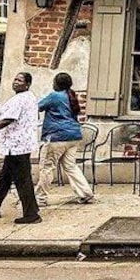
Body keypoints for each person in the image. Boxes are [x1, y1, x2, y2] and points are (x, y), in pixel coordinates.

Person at [0, 72, 41, 224]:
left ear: (27, 84)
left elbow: (7, 120)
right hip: (17, 145)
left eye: (20, 80)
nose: (15, 82)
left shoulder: (22, 99)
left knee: (23, 180)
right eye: (15, 79)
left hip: (17, 146)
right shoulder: (27, 97)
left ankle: (32, 214)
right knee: (5, 178)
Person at [35, 72, 95, 206]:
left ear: (56, 84)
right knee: (70, 166)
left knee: (47, 167)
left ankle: (40, 198)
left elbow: (37, 107)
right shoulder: (71, 95)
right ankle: (86, 194)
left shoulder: (54, 96)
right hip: (73, 135)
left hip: (56, 136)